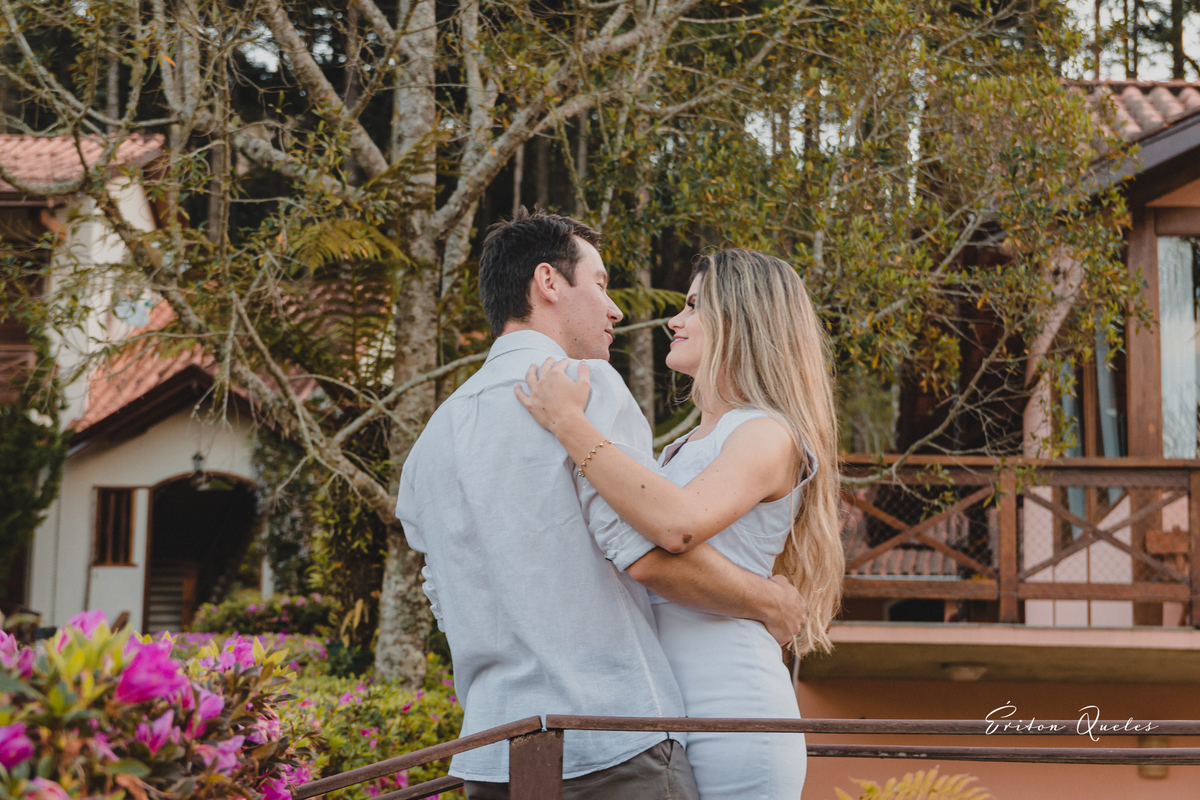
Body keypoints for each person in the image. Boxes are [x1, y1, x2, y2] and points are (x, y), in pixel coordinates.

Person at [395, 211, 808, 800]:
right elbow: (646, 553)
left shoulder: (433, 438)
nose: (615, 310)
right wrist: (771, 600)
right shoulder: (588, 385)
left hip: (493, 750)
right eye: (600, 283)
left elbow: (442, 592)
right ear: (548, 282)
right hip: (611, 734)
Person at [516, 248, 845, 800]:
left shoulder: (768, 433)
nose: (676, 319)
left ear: (740, 319)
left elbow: (677, 527)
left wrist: (569, 423)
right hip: (661, 708)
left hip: (731, 705)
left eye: (694, 306)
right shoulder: (683, 447)